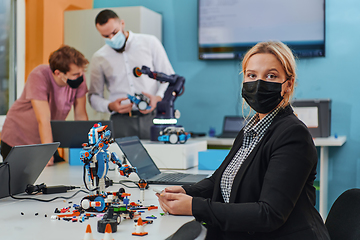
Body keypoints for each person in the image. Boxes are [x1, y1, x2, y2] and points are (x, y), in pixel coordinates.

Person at [156, 41, 330, 240]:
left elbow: (268, 214)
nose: (258, 83)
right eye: (252, 75)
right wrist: (187, 191)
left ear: (288, 84)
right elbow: (219, 180)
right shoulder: (251, 128)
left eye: (271, 76)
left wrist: (195, 206)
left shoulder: (293, 135)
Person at [89, 9, 174, 139]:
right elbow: (94, 96)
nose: (111, 38)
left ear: (122, 23)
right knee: (119, 158)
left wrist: (158, 98)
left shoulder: (150, 43)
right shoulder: (99, 57)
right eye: (106, 36)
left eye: (114, 32)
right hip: (120, 120)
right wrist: (110, 106)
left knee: (157, 156)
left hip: (151, 117)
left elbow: (169, 79)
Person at [0, 45, 89, 165]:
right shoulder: (39, 76)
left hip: (45, 140)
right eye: (75, 74)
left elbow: (81, 116)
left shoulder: (78, 80)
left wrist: (87, 151)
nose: (80, 76)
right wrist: (47, 155)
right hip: (18, 139)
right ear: (58, 73)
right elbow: (43, 119)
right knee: (22, 181)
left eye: (81, 73)